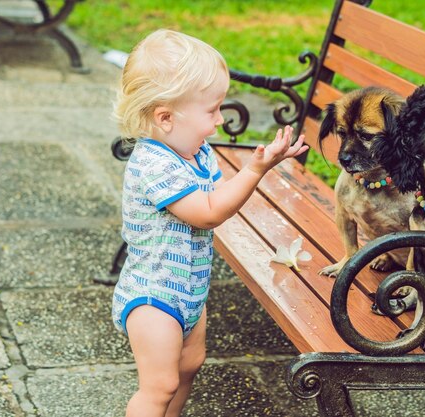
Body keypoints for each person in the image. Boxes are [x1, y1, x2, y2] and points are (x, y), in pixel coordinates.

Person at [111, 29, 307, 417]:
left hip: (189, 288)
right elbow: (209, 211)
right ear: (165, 117)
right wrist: (255, 169)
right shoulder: (153, 164)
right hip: (153, 295)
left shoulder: (196, 153)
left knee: (188, 368)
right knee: (159, 385)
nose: (220, 119)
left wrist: (265, 165)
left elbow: (221, 194)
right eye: (212, 110)